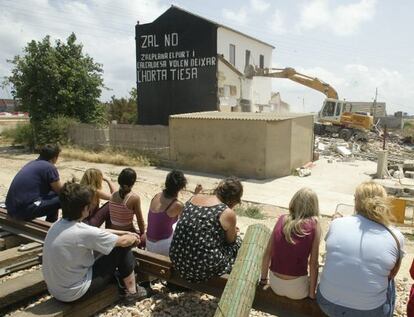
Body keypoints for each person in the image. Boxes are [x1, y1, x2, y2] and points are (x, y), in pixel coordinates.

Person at [42, 182, 147, 302]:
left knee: (110, 245)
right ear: (85, 209)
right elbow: (123, 242)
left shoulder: (57, 225)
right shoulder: (83, 233)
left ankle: (121, 280)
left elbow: (96, 231)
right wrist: (133, 238)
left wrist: (123, 233)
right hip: (75, 293)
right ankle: (132, 292)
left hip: (56, 290)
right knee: (120, 248)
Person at [317, 181, 404, 317]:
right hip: (369, 311)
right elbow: (392, 274)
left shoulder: (337, 224)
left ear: (357, 201)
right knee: (390, 283)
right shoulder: (395, 236)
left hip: (327, 303)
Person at [169, 177, 243, 283]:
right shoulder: (226, 212)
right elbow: (230, 241)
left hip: (178, 259)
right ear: (234, 200)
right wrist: (234, 232)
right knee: (238, 243)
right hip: (201, 267)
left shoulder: (193, 198)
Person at [260, 188, 321, 300]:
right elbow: (313, 264)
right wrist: (312, 294)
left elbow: (267, 253)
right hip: (297, 288)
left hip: (275, 284)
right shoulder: (314, 225)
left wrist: (263, 280)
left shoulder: (282, 219)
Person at [5, 144, 62, 222]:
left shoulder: (32, 163)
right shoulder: (49, 167)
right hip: (23, 211)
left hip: (11, 207)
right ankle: (52, 227)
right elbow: (61, 192)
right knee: (63, 198)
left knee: (52, 194)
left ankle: (50, 224)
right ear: (55, 157)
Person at [146, 170, 187, 256]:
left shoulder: (157, 196)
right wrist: (196, 194)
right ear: (180, 188)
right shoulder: (177, 205)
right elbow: (189, 214)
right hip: (162, 246)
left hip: (149, 242)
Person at [108, 168, 146, 246]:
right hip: (127, 234)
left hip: (114, 233)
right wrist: (142, 234)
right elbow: (140, 221)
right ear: (133, 182)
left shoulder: (113, 195)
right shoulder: (134, 198)